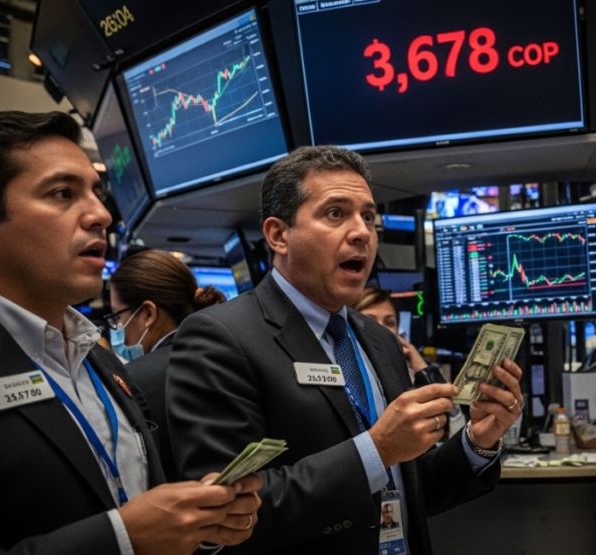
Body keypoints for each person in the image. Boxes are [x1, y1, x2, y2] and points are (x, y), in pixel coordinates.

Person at [167, 145, 523, 555]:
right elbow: (226, 510)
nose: (362, 233)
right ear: (278, 235)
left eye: (368, 217)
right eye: (335, 213)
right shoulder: (220, 337)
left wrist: (477, 442)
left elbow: (407, 487)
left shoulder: (380, 340)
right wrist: (376, 449)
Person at [0, 111, 262, 554]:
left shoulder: (98, 359)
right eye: (62, 194)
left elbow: (140, 503)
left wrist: (199, 523)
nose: (101, 215)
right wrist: (122, 540)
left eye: (97, 194)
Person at [108, 248, 227, 481]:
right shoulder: (227, 354)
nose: (117, 327)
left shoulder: (133, 379)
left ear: (148, 314)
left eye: (117, 316)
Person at [354, 286, 466, 436]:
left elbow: (451, 425)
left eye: (389, 323)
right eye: (369, 321)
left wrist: (420, 366)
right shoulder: (348, 372)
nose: (381, 330)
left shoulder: (405, 376)